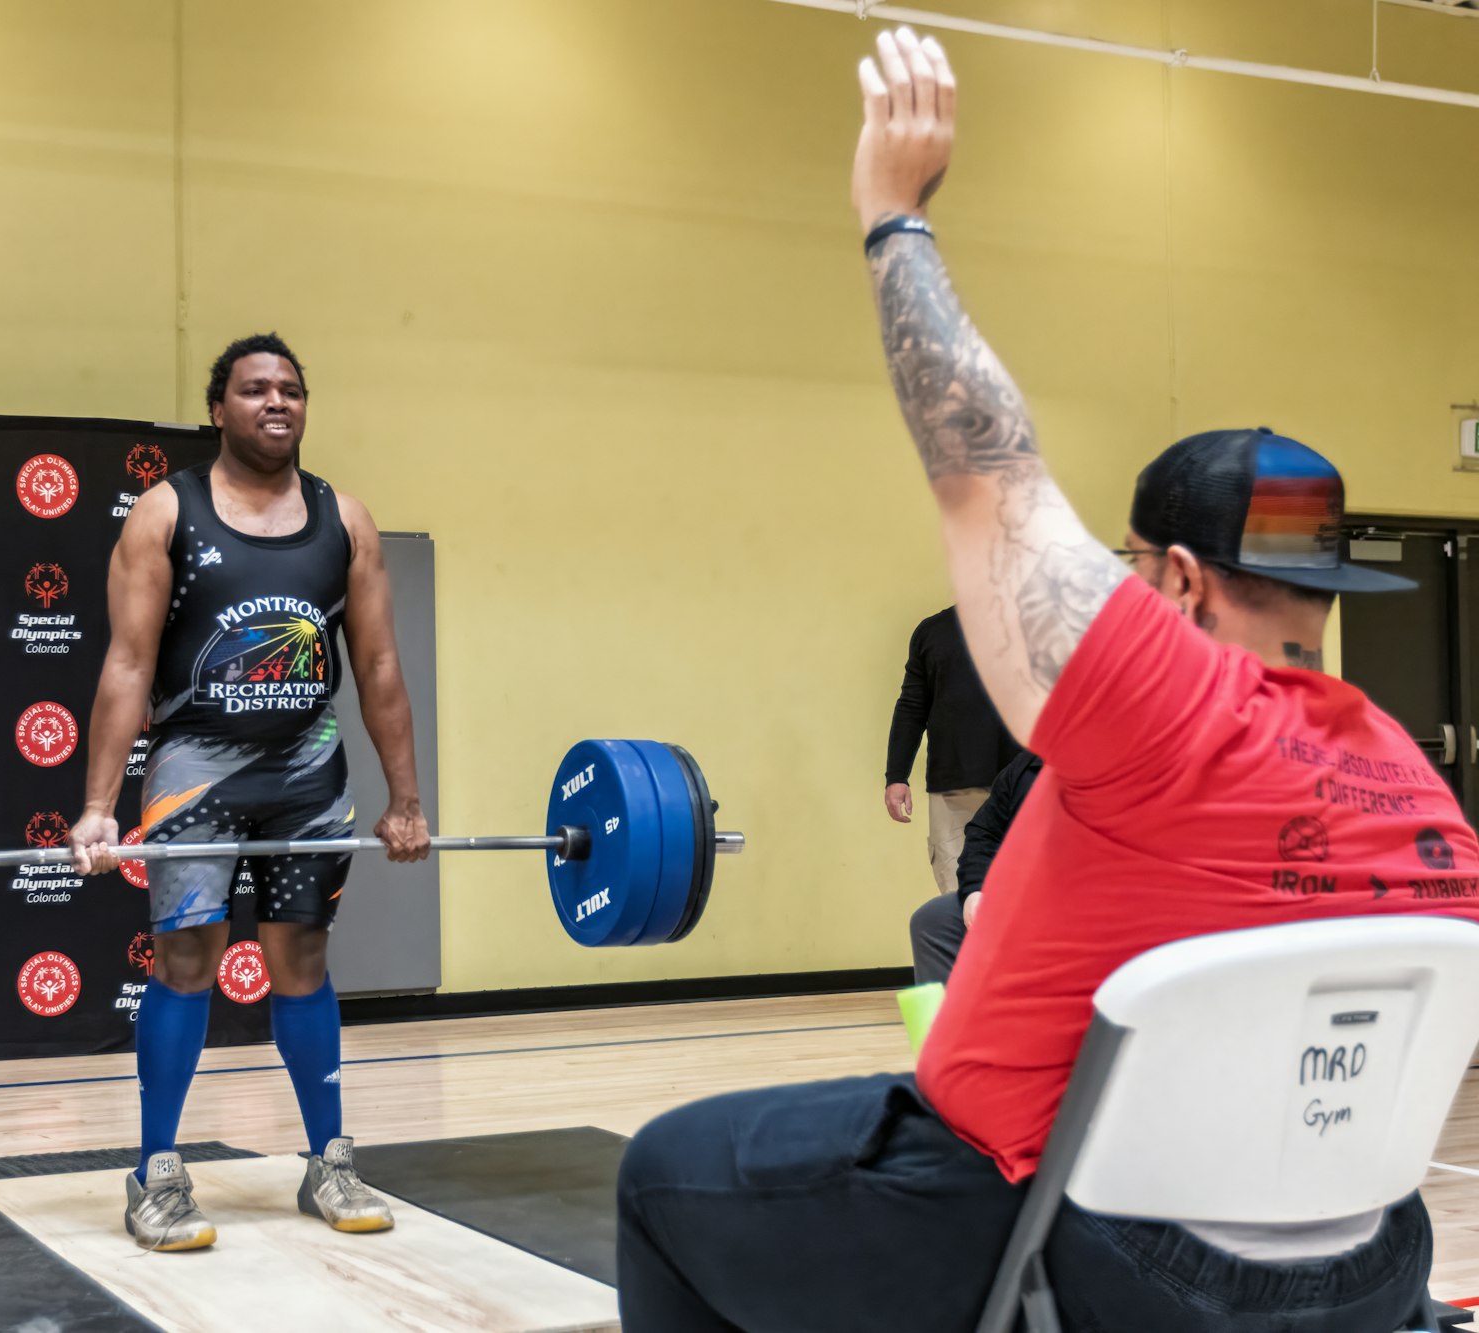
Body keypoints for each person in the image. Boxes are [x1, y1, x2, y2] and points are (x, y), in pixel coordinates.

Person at [615, 28, 1477, 1331]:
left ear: (1179, 579)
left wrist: (892, 218)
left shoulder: (1168, 701)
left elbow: (985, 459)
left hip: (1082, 1244)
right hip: (1364, 1260)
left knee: (663, 1176)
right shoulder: (1420, 790)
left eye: (1129, 567)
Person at [70, 332, 431, 1252]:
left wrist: (406, 800)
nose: (277, 403)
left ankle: (329, 1161)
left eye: (292, 390)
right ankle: (156, 1171)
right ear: (218, 407)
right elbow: (127, 660)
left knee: (301, 962)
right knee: (188, 960)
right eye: (255, 389)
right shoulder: (166, 512)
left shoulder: (342, 518)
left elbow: (381, 664)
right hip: (196, 769)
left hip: (309, 770)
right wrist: (99, 805)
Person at [884, 605, 1020, 895]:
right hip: (953, 791)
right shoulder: (932, 632)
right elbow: (912, 706)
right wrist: (897, 776)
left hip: (1021, 788)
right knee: (957, 898)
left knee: (1023, 895)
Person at [908, 749, 1041, 985]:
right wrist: (976, 890)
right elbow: (984, 833)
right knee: (932, 920)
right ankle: (949, 1020)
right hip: (1023, 898)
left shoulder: (1113, 766)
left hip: (1085, 906)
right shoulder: (1025, 766)